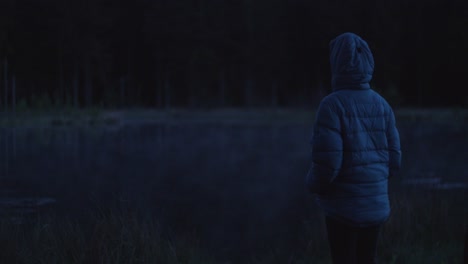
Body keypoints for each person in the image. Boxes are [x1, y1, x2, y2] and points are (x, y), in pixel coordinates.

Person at [305, 32, 402, 264]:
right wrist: (373, 184)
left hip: (343, 208)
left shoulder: (331, 105)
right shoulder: (382, 104)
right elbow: (395, 161)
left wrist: (312, 185)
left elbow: (328, 165)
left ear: (336, 62)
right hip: (375, 206)